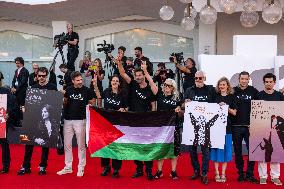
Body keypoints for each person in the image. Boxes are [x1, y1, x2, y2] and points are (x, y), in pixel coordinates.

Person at [116, 56, 156, 180]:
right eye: (136, 75)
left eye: (140, 75)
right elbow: (122, 72)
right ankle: (139, 169)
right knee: (136, 146)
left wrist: (151, 120)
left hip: (146, 122)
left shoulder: (150, 88)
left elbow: (154, 103)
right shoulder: (132, 83)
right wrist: (119, 61)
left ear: (143, 75)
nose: (138, 77)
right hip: (133, 121)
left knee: (147, 147)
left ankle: (149, 170)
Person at [175, 71, 215, 185]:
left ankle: (204, 173)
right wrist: (184, 103)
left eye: (200, 78)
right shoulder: (189, 90)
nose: (198, 80)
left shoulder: (210, 90)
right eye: (196, 78)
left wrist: (221, 105)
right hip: (191, 126)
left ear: (204, 78)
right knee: (192, 151)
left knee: (205, 151)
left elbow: (216, 104)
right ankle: (196, 171)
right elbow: (182, 105)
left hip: (206, 126)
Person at [143, 64, 181, 179]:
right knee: (160, 148)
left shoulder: (178, 98)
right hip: (161, 128)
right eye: (165, 85)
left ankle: (173, 171)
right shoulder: (159, 94)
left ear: (173, 87)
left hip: (174, 127)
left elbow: (182, 112)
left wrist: (179, 110)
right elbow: (151, 82)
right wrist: (145, 71)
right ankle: (159, 171)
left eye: (168, 86)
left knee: (175, 150)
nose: (166, 87)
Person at [17, 67, 57, 176]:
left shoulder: (52, 88)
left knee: (45, 144)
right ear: (36, 76)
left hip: (45, 119)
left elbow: (55, 105)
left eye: (43, 76)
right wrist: (24, 108)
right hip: (32, 119)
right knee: (28, 143)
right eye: (39, 76)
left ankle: (42, 166)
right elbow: (27, 103)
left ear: (47, 76)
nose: (41, 78)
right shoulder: (32, 88)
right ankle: (25, 166)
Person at [57, 71, 96, 177]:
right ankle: (68, 167)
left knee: (81, 146)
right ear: (73, 81)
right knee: (67, 145)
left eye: (81, 80)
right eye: (78, 80)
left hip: (81, 120)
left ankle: (81, 167)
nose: (80, 82)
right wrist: (61, 96)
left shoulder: (87, 90)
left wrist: (91, 103)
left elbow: (93, 102)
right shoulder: (68, 90)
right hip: (68, 120)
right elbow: (64, 103)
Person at [94, 75, 128, 178]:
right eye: (113, 80)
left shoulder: (123, 94)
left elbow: (126, 107)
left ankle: (116, 169)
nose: (114, 82)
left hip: (118, 124)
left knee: (116, 147)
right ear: (110, 82)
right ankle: (106, 167)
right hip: (106, 123)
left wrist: (124, 110)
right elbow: (99, 96)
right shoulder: (107, 91)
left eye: (116, 81)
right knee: (105, 146)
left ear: (119, 83)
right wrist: (95, 85)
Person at [257, 73, 284, 186]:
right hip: (261, 127)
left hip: (276, 129)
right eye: (266, 82)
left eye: (270, 82)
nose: (268, 83)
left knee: (276, 152)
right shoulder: (258, 95)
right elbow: (254, 112)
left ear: (274, 83)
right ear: (264, 83)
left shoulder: (279, 96)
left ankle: (275, 176)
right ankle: (263, 176)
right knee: (262, 153)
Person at [232, 71, 259, 183]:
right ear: (239, 79)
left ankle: (250, 173)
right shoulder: (233, 91)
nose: (244, 81)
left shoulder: (254, 91)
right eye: (242, 79)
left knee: (252, 151)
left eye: (246, 79)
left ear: (249, 79)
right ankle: (241, 173)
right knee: (238, 151)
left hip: (249, 127)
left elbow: (259, 108)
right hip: (236, 126)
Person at [210, 77, 237, 183]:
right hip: (216, 129)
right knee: (216, 151)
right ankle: (216, 173)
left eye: (224, 84)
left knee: (226, 152)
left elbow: (234, 112)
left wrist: (226, 107)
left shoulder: (232, 97)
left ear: (227, 86)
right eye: (220, 85)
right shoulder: (215, 97)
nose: (222, 86)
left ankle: (223, 174)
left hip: (227, 129)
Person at [0, 72, 17, 174]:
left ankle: (6, 166)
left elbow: (13, 105)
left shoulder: (6, 91)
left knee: (3, 143)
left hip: (2, 121)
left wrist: (8, 113)